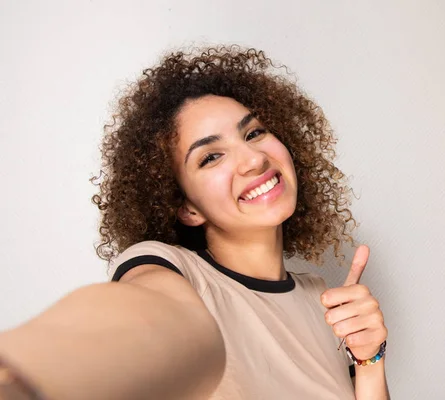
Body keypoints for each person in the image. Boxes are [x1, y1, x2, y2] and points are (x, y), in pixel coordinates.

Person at [0, 46, 389, 399]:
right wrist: (27, 370)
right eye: (210, 157)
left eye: (254, 133)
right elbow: (144, 318)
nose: (254, 159)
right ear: (188, 208)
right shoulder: (175, 273)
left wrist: (370, 361)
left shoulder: (323, 301)